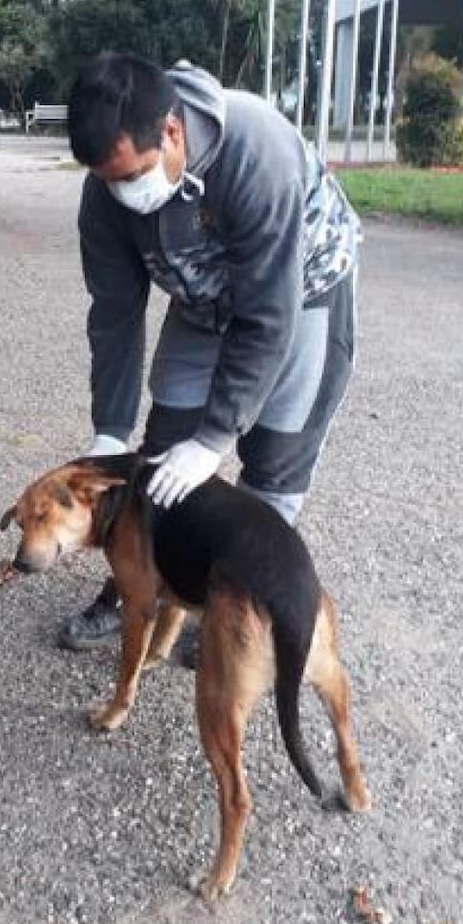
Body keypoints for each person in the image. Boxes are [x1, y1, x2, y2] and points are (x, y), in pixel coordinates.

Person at [59, 51, 361, 662]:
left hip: (300, 296)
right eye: (107, 181)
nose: (123, 194)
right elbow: (115, 316)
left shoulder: (257, 152)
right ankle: (131, 591)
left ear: (172, 131)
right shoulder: (105, 195)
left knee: (272, 463)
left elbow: (268, 316)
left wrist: (216, 435)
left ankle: (235, 615)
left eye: (133, 175)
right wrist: (110, 433)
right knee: (160, 450)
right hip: (203, 303)